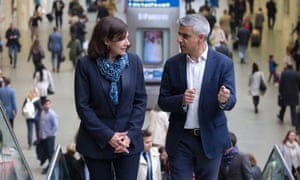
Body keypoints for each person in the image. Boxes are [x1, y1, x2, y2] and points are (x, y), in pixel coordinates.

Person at [157, 14, 236, 180]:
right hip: (180, 139)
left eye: (185, 36)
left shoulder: (223, 63)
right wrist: (181, 100)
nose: (179, 39)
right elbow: (162, 101)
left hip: (211, 138)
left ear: (201, 38)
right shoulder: (172, 64)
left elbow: (231, 100)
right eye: (179, 34)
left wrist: (224, 100)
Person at [74, 16, 147, 180]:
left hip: (128, 141)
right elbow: (83, 106)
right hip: (96, 142)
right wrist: (108, 136)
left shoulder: (134, 62)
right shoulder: (85, 65)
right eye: (122, 39)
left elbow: (140, 100)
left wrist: (129, 135)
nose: (127, 43)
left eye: (127, 37)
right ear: (106, 41)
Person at [39, 98, 58, 174]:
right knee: (46, 151)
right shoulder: (42, 112)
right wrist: (40, 133)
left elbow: (56, 126)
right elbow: (41, 124)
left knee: (50, 152)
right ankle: (51, 163)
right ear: (43, 105)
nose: (47, 106)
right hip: (43, 136)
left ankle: (50, 167)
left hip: (50, 136)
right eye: (46, 104)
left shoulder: (52, 114)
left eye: (49, 104)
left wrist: (50, 133)